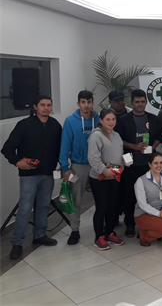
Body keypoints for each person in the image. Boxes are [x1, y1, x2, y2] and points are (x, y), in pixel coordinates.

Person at [2, 95, 62, 260]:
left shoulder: (55, 125)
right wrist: (17, 162)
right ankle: (17, 242)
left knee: (43, 205)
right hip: (29, 175)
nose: (46, 108)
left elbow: (60, 147)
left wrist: (62, 165)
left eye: (49, 105)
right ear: (35, 107)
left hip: (48, 173)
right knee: (25, 209)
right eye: (42, 105)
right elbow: (7, 148)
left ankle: (39, 235)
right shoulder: (24, 125)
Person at [115, 89, 161, 238]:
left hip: (148, 164)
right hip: (130, 165)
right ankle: (130, 224)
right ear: (132, 103)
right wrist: (134, 146)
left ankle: (148, 222)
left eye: (142, 101)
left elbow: (158, 137)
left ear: (146, 102)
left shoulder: (153, 119)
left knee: (150, 195)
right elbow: (119, 140)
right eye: (137, 102)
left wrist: (152, 147)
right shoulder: (123, 120)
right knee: (129, 196)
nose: (140, 104)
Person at [59, 90, 99, 245]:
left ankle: (102, 228)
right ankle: (75, 230)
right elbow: (65, 145)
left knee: (101, 198)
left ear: (92, 103)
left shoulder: (99, 119)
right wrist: (64, 167)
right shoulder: (70, 121)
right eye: (83, 102)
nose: (86, 105)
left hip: (97, 164)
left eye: (89, 102)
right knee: (76, 199)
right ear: (78, 103)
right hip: (78, 165)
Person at [87, 108, 127, 250]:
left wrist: (124, 161)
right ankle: (98, 237)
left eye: (113, 119)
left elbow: (119, 154)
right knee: (102, 207)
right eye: (108, 119)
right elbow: (93, 158)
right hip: (100, 179)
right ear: (101, 121)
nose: (111, 122)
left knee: (113, 206)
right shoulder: (96, 136)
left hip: (114, 177)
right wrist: (105, 171)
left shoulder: (116, 135)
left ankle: (109, 233)